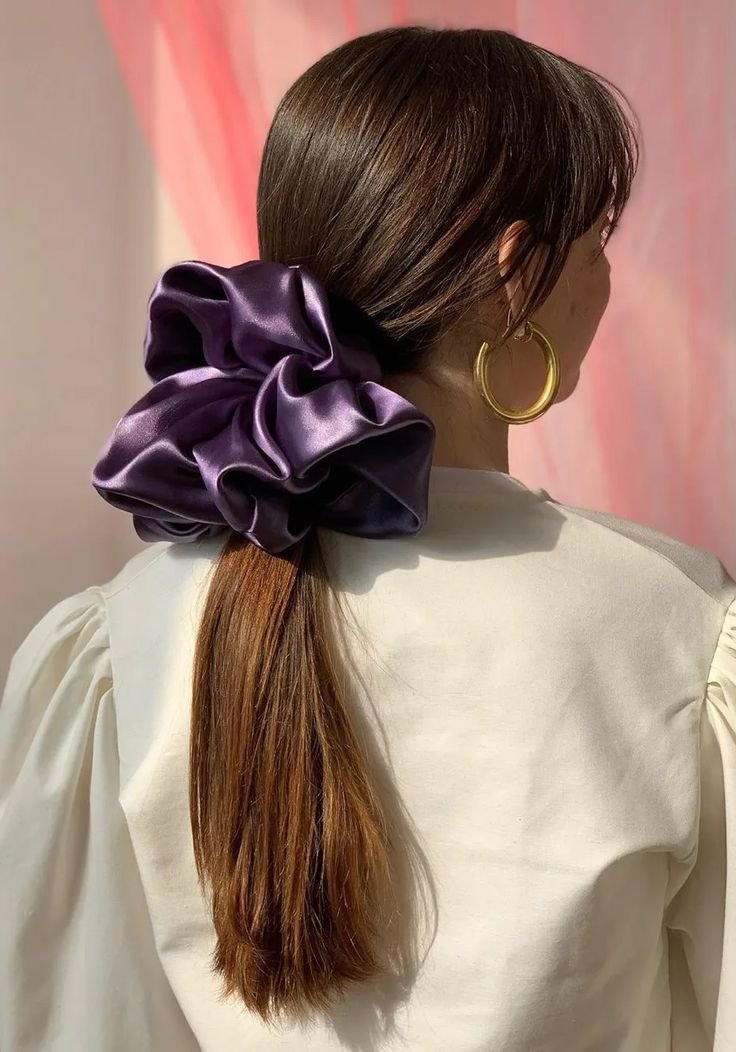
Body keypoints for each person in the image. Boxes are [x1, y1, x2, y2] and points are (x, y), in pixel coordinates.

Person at [0, 24, 733, 1052]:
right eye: (594, 242)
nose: (604, 277)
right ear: (517, 270)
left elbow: (76, 1022)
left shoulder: (116, 642)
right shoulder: (677, 625)